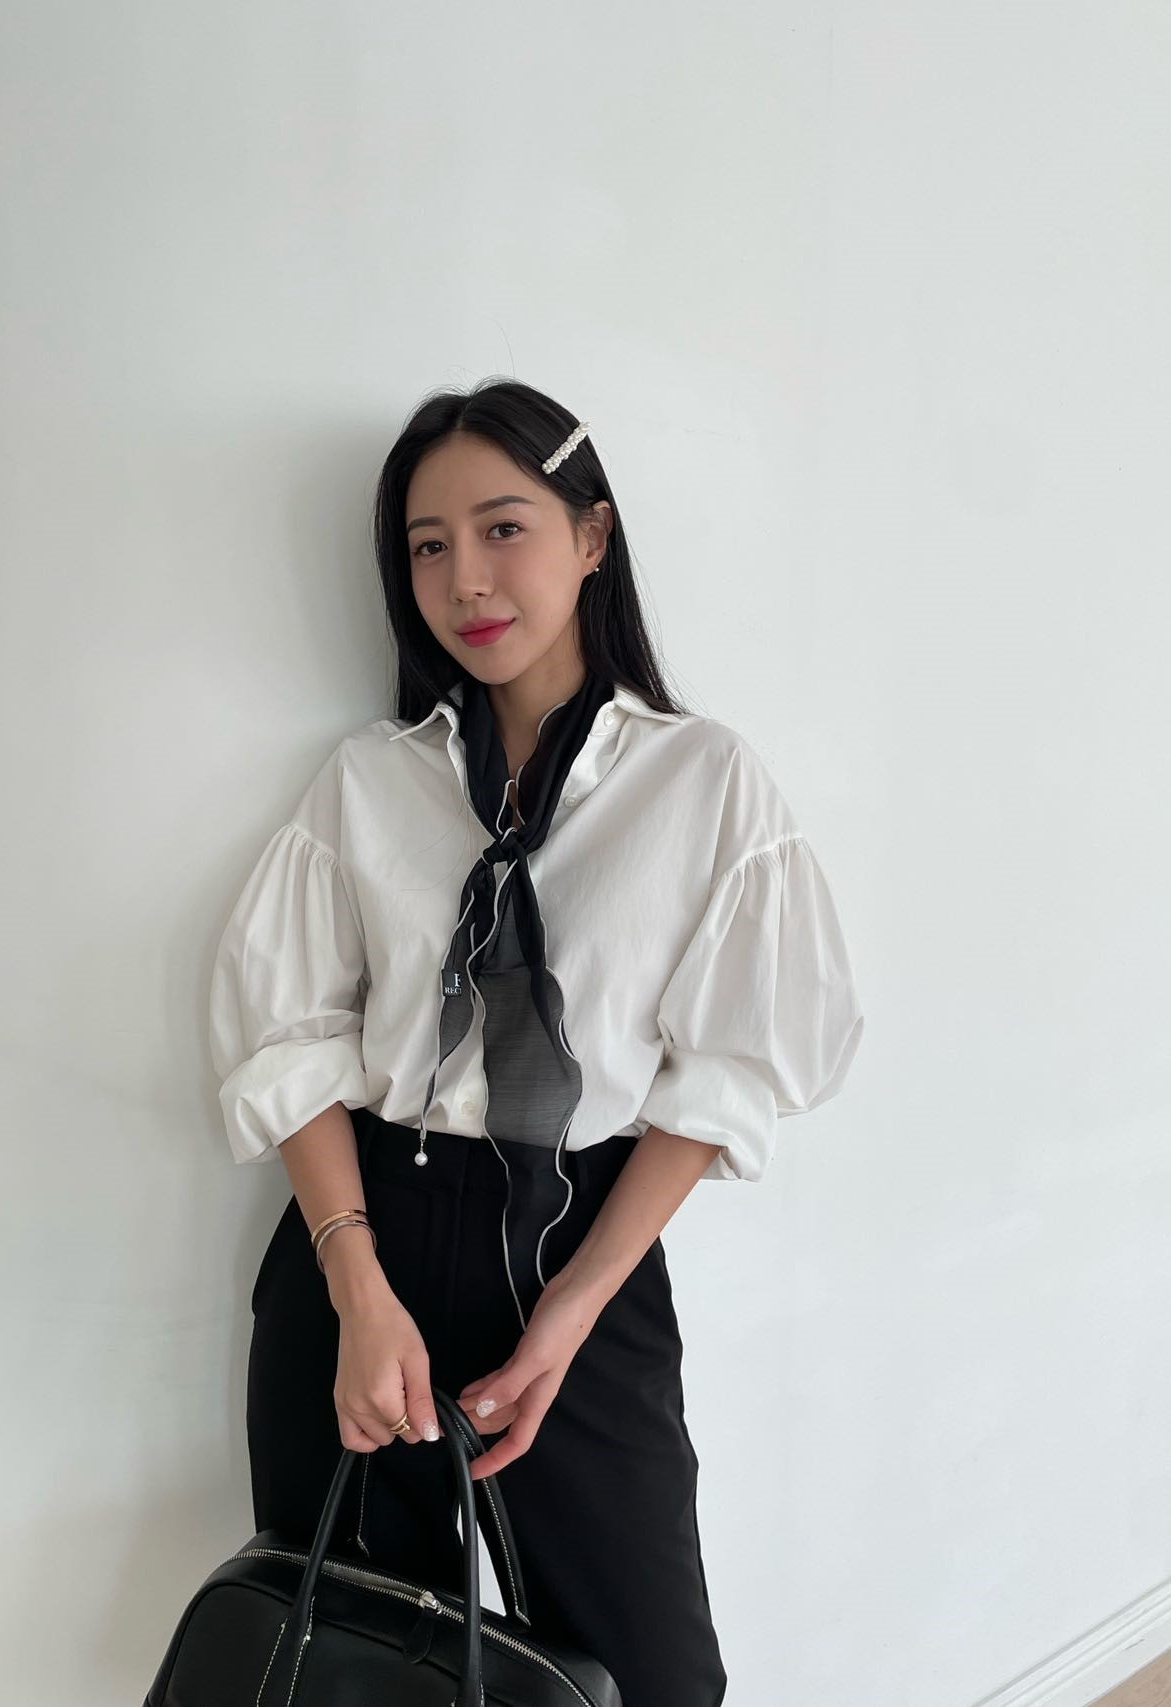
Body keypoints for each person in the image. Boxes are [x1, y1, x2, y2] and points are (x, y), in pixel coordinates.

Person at [208, 378, 865, 1707]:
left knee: (654, 1676)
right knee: (352, 1662)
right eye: (428, 545)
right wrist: (355, 1290)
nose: (466, 579)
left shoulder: (703, 784)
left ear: (592, 536)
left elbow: (727, 1070)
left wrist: (577, 1306)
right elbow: (288, 1034)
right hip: (363, 1241)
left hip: (580, 1240)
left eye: (503, 528)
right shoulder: (372, 780)